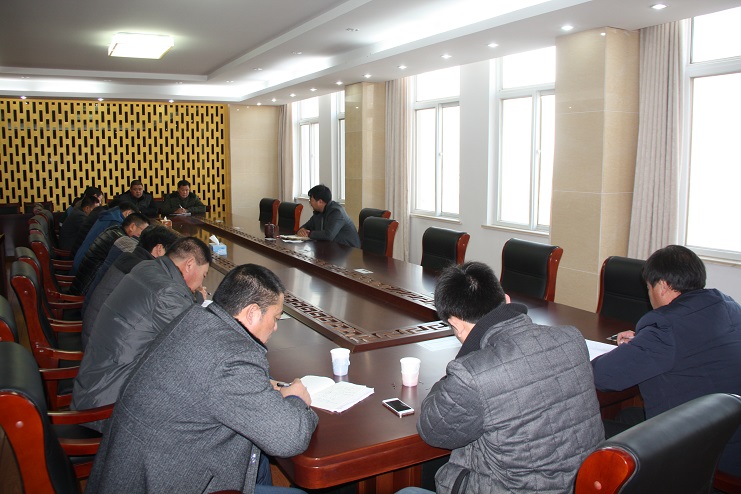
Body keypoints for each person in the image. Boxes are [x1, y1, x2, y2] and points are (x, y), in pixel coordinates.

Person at [85, 264, 318, 493]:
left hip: (132, 474)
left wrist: (259, 386)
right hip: (163, 481)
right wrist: (296, 399)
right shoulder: (233, 357)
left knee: (258, 459)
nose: (275, 328)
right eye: (275, 318)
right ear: (252, 313)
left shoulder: (193, 319)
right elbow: (289, 439)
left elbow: (207, 381)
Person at [407, 261, 603, 494]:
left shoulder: (472, 374)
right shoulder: (571, 338)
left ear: (455, 324)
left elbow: (433, 430)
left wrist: (464, 361)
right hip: (581, 485)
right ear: (506, 300)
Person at [592, 245, 741, 477]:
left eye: (648, 287)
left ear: (662, 286)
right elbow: (692, 344)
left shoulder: (665, 327)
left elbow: (602, 376)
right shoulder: (729, 306)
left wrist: (643, 344)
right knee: (627, 415)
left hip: (703, 452)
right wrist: (643, 343)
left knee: (588, 433)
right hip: (729, 432)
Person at [72, 236, 211, 426]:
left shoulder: (147, 268)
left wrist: (195, 297)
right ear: (189, 264)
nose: (201, 283)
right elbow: (196, 341)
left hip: (94, 384)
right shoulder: (167, 292)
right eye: (203, 275)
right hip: (108, 405)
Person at [81, 225, 179, 349]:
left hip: (93, 334)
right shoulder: (143, 271)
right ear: (159, 249)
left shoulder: (129, 258)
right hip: (99, 346)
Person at [70, 213, 150, 296]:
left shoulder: (114, 230)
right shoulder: (121, 241)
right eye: (143, 232)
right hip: (86, 290)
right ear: (132, 226)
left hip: (82, 284)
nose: (143, 236)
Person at [72, 201, 138, 272]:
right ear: (128, 213)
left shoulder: (108, 215)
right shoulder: (115, 223)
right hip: (85, 267)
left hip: (80, 260)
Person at [296, 184, 360, 247]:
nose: (310, 203)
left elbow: (328, 235)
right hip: (332, 248)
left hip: (349, 250)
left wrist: (309, 233)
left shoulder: (337, 212)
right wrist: (301, 230)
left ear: (320, 202)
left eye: (311, 200)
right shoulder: (318, 212)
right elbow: (306, 226)